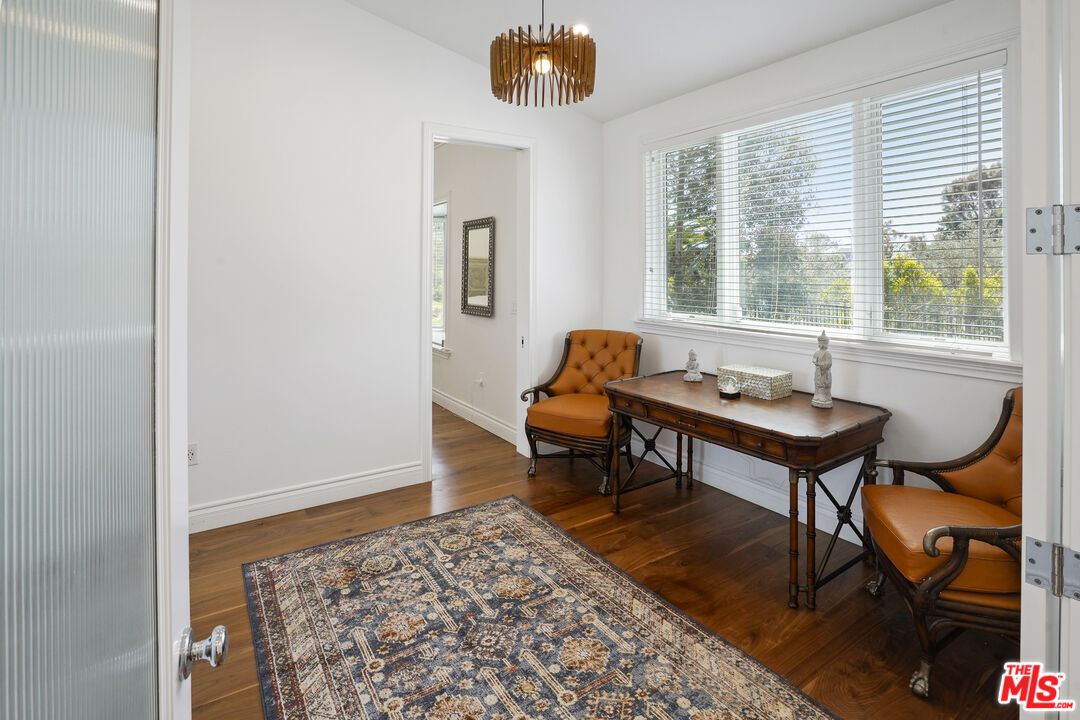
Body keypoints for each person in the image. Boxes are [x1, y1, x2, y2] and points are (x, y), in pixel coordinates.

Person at [812, 331, 833, 408]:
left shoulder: (828, 353)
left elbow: (829, 363)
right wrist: (816, 362)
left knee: (824, 384)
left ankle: (824, 397)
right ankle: (817, 395)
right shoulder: (816, 352)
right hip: (818, 371)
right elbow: (813, 359)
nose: (821, 345)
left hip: (824, 372)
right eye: (820, 342)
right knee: (817, 383)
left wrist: (821, 364)